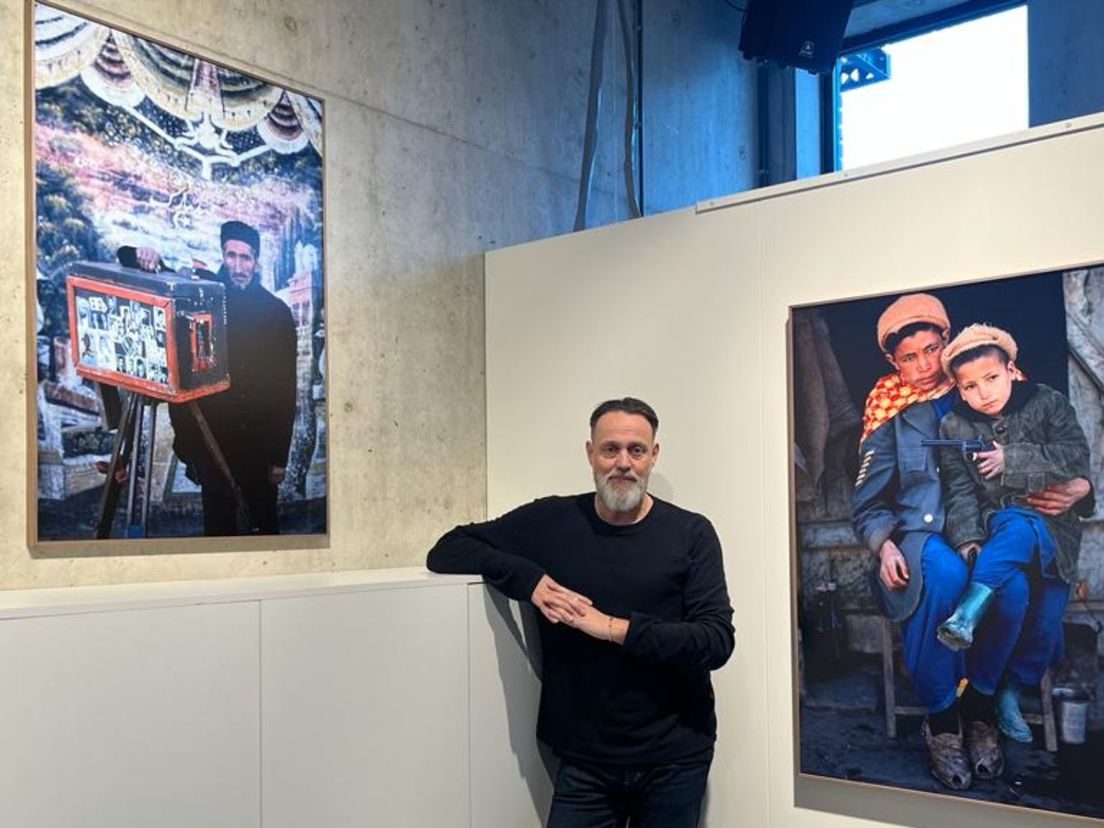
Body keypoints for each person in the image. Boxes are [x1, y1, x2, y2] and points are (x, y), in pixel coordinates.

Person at [426, 397, 734, 828]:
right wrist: (528, 579)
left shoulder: (691, 533)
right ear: (590, 453)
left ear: (653, 456)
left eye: (636, 450)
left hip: (675, 759)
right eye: (610, 449)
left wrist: (612, 628)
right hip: (583, 761)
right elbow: (447, 549)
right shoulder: (552, 521)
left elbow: (716, 641)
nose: (623, 462)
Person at [850, 294, 1090, 790]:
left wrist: (1080, 491)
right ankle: (941, 721)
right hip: (922, 535)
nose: (923, 365)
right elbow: (868, 501)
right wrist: (884, 545)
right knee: (944, 574)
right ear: (893, 361)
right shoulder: (888, 411)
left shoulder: (988, 387)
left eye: (932, 349)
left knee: (1014, 591)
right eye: (909, 357)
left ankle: (979, 706)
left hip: (994, 527)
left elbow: (1056, 458)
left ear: (947, 342)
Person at [933, 325, 1091, 747]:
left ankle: (1008, 689)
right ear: (959, 390)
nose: (983, 392)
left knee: (1044, 624)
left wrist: (1012, 459)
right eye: (969, 386)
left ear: (1011, 370)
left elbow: (1075, 455)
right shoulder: (953, 425)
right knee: (1016, 560)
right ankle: (981, 687)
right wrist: (967, 538)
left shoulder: (1046, 402)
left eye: (991, 378)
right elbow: (959, 487)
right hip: (996, 524)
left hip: (1055, 530)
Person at [120, 221, 297, 535]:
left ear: (256, 261)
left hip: (257, 443)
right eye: (232, 256)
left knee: (265, 527)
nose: (238, 266)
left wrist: (278, 457)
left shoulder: (276, 313)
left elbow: (285, 391)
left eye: (246, 258)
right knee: (218, 527)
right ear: (223, 255)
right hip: (214, 438)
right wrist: (144, 255)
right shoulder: (205, 292)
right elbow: (140, 265)